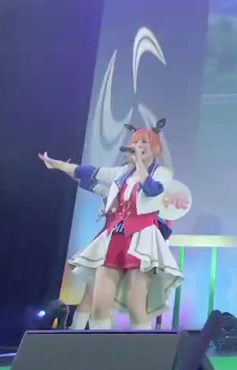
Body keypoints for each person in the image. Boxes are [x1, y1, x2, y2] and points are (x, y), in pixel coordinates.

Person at [39, 119, 184, 331]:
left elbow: (152, 190)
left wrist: (141, 164)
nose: (139, 146)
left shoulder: (162, 172)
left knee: (136, 304)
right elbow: (88, 172)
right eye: (136, 142)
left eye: (144, 142)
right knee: (99, 304)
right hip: (114, 236)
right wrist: (58, 164)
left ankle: (143, 348)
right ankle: (97, 346)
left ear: (155, 147)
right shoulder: (122, 172)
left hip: (141, 238)